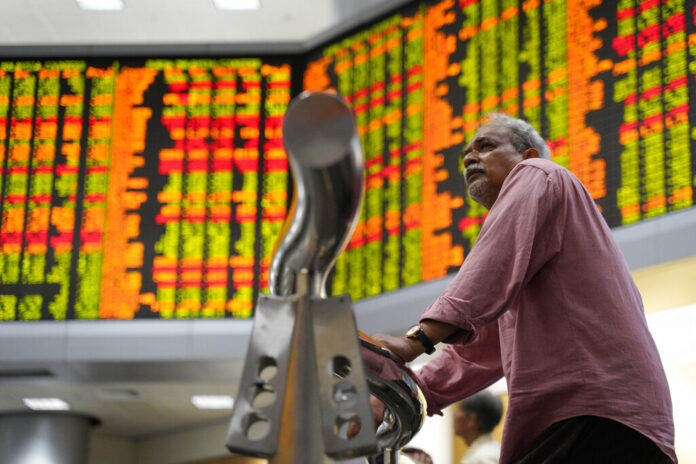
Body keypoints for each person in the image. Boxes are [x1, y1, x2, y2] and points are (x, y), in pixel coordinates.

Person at [369, 113, 676, 463]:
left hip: (593, 417)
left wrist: (416, 340)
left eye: (486, 146)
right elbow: (477, 351)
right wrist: (401, 392)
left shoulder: (540, 173)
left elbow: (490, 266)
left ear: (528, 156)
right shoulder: (529, 259)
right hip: (613, 422)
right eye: (466, 153)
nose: (470, 158)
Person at [455, 391, 503, 464]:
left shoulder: (477, 459)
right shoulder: (496, 450)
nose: (454, 414)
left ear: (471, 420)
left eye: (458, 409)